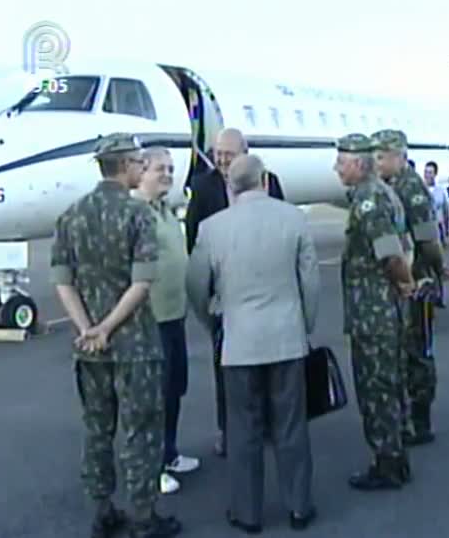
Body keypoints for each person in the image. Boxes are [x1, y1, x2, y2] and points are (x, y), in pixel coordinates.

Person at [50, 133, 181, 538]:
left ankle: (103, 510)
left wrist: (88, 328)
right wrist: (109, 327)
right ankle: (144, 516)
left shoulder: (71, 215)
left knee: (98, 428)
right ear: (125, 166)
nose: (143, 169)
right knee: (141, 429)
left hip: (90, 349)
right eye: (140, 163)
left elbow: (62, 280)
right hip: (135, 345)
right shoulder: (137, 214)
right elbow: (142, 283)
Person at [186, 154, 320, 532]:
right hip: (286, 339)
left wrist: (212, 319)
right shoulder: (294, 219)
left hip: (238, 343)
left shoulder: (213, 228)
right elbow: (310, 281)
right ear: (264, 182)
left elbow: (195, 284)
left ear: (231, 186)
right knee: (291, 427)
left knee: (243, 430)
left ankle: (248, 513)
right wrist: (304, 324)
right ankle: (299, 506)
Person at [183, 127, 284, 457]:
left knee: (270, 365)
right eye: (218, 153)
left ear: (246, 152)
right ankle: (229, 430)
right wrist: (207, 299)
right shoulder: (203, 187)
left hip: (267, 292)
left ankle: (266, 424)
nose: (222, 159)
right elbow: (193, 241)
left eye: (229, 153)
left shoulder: (269, 182)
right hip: (224, 297)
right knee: (225, 368)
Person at [335, 133, 415, 490]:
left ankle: (388, 464)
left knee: (377, 388)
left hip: (374, 310)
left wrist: (404, 282)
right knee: (391, 382)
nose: (336, 168)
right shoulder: (384, 192)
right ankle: (396, 456)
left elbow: (390, 255)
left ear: (358, 164)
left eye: (341, 162)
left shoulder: (369, 200)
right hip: (385, 308)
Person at [371, 130, 445, 445]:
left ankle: (420, 419)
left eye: (380, 157)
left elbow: (428, 240)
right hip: (400, 282)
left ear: (399, 157)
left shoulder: (411, 188)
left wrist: (435, 272)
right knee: (401, 350)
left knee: (417, 351)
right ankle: (405, 417)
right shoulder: (387, 187)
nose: (376, 163)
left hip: (416, 282)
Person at [136, 147, 201, 495]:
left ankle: (170, 452)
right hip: (151, 321)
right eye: (160, 168)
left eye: (171, 169)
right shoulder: (137, 214)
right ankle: (151, 465)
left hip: (175, 316)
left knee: (175, 388)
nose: (167, 174)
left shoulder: (166, 212)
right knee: (153, 397)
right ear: (141, 170)